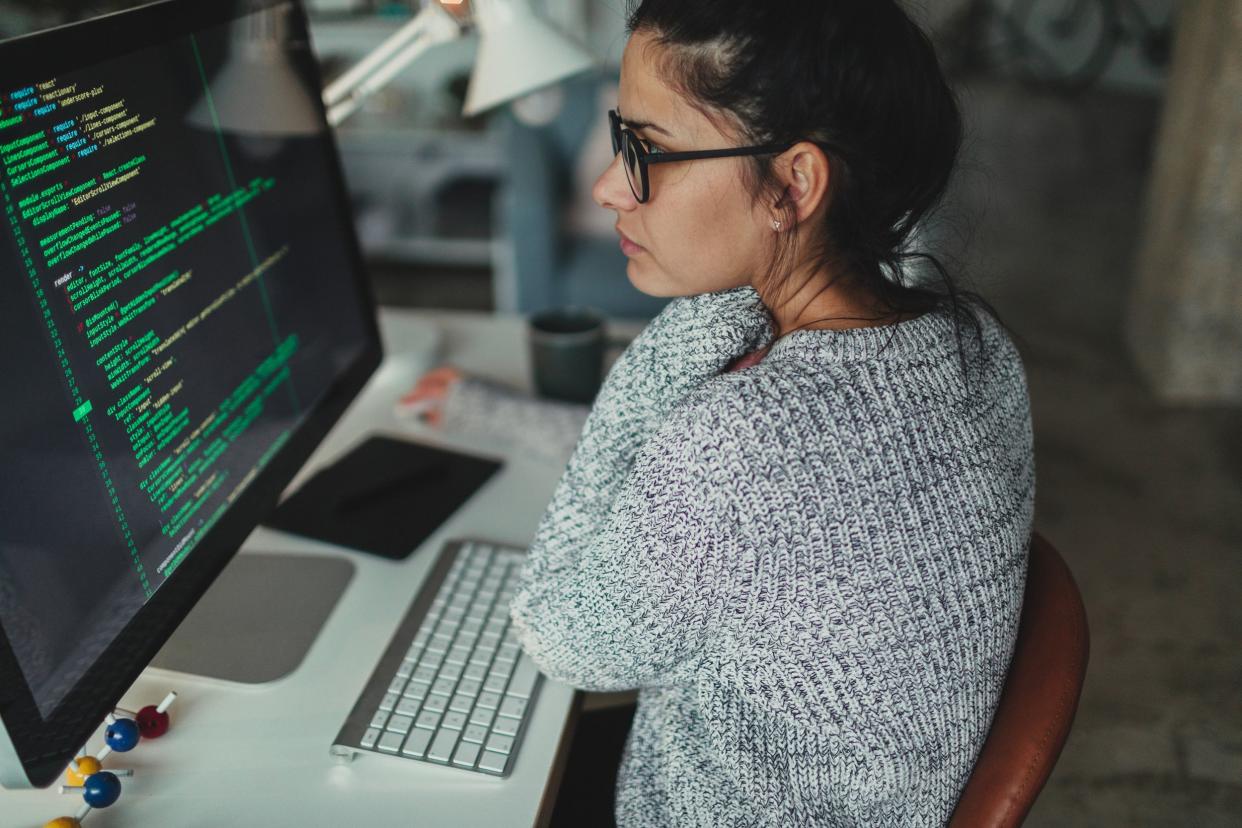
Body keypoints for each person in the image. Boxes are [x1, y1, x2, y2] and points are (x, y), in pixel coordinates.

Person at [405, 1, 1034, 825]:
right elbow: (696, 493)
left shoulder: (747, 430)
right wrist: (486, 411)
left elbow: (558, 634)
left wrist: (689, 319)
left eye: (648, 150)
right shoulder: (972, 343)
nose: (605, 186)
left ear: (794, 183)